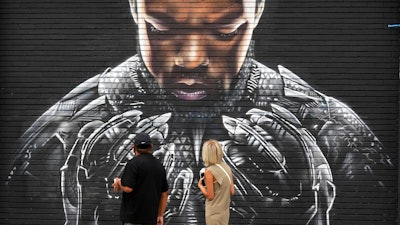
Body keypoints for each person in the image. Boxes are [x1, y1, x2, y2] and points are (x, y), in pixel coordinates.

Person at [6, 0, 394, 224]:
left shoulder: (333, 133)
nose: (190, 60)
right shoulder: (63, 133)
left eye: (225, 32)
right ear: (133, 9)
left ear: (257, 11)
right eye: (159, 29)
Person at [112, 132, 169, 225]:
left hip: (133, 219)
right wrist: (160, 215)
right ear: (151, 147)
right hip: (151, 219)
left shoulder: (132, 164)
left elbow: (128, 188)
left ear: (133, 147)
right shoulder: (159, 166)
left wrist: (118, 182)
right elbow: (164, 194)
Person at [198, 140, 234, 225]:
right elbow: (232, 191)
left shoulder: (209, 171)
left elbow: (210, 196)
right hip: (225, 212)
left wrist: (200, 186)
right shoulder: (227, 167)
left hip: (213, 212)